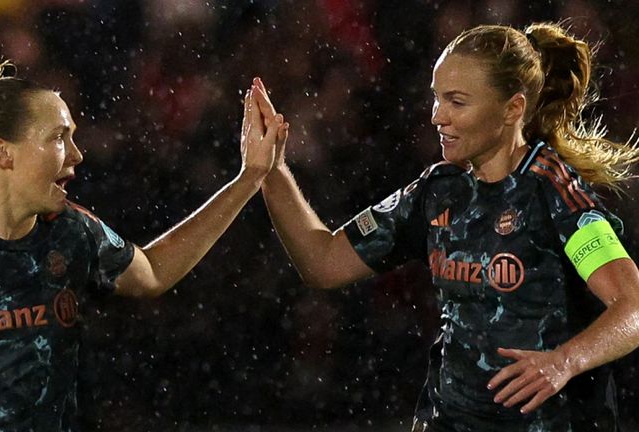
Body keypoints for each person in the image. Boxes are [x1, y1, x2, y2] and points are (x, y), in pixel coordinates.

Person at [0, 41, 286, 431]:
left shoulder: (72, 231)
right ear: (3, 153)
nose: (76, 154)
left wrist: (249, 178)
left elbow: (153, 273)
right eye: (58, 137)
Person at [254, 22, 639, 431]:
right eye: (436, 98)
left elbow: (633, 305)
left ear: (512, 108)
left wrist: (565, 361)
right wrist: (270, 170)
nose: (438, 116)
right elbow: (322, 262)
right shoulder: (439, 191)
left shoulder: (555, 194)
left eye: (456, 102)